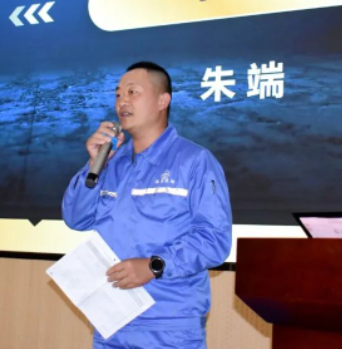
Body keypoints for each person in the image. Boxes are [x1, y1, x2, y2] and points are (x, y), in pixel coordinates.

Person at [61, 61, 232, 349]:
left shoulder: (195, 161)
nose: (122, 101)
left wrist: (155, 266)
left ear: (163, 101)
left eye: (133, 92)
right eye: (118, 94)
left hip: (169, 325)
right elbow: (75, 218)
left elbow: (214, 240)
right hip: (111, 320)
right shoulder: (110, 162)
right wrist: (93, 164)